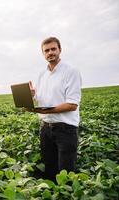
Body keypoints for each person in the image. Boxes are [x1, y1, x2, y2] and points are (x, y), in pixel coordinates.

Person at [28, 37, 82, 182]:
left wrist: (47, 111)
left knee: (66, 173)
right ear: (43, 53)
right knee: (50, 169)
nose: (50, 52)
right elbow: (41, 100)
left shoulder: (71, 71)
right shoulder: (41, 74)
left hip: (66, 129)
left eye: (53, 49)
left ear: (60, 50)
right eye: (47, 50)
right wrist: (32, 96)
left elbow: (72, 104)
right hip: (45, 129)